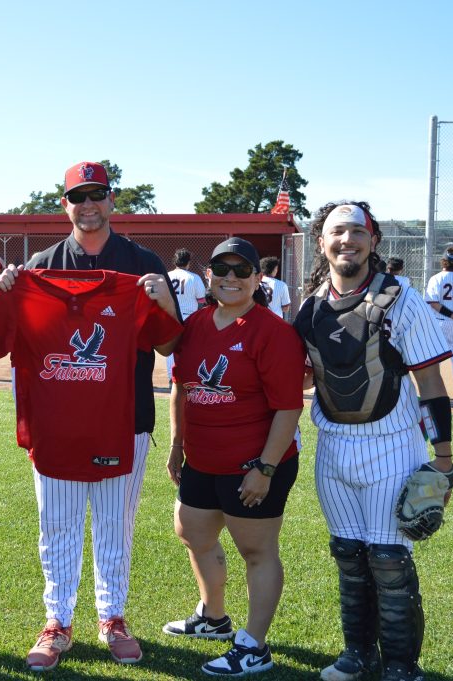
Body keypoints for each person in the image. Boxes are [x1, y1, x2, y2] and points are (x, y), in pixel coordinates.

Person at [0, 161, 181, 672]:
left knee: (116, 526)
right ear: (65, 205)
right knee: (58, 526)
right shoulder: (40, 265)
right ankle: (58, 621)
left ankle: (112, 617)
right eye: (79, 196)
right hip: (56, 426)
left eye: (97, 194)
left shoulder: (141, 263)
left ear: (112, 200)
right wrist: (6, 291)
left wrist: (163, 301)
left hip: (126, 419)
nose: (88, 204)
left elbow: (169, 342)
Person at [293, 202, 453, 681]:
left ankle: (402, 666)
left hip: (391, 443)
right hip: (334, 445)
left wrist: (442, 459)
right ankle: (357, 655)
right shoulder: (311, 304)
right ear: (321, 243)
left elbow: (430, 384)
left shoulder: (399, 298)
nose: (347, 240)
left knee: (388, 559)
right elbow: (303, 378)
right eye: (336, 232)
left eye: (357, 232)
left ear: (374, 241)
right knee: (348, 554)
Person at [163, 238, 305, 676]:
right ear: (208, 276)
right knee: (192, 533)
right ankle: (213, 618)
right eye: (221, 269)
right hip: (202, 458)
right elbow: (181, 388)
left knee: (256, 550)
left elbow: (288, 406)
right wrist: (176, 445)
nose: (230, 278)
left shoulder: (273, 332)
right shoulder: (196, 325)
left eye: (241, 270)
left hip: (255, 462)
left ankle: (254, 645)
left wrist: (263, 468)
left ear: (257, 278)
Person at [423, 246, 453, 400]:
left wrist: (450, 314)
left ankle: (434, 390)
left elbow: (433, 303)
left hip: (440, 322)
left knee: (434, 357)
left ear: (443, 261)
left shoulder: (436, 278)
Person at [166, 248, 207, 381]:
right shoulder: (194, 277)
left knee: (169, 349)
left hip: (170, 316)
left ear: (175, 261)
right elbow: (201, 300)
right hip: (189, 317)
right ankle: (187, 376)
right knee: (189, 347)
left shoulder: (167, 275)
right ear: (188, 262)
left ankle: (171, 380)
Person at [258, 255, 292, 320]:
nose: (277, 270)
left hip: (259, 319)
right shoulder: (282, 285)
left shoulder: (255, 283)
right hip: (276, 320)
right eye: (276, 268)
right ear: (273, 269)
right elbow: (286, 308)